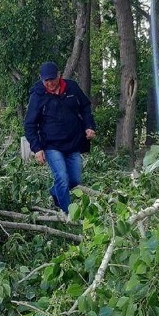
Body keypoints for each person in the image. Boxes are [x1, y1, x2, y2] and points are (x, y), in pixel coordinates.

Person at [23, 61, 96, 214]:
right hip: (51, 145)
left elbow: (85, 107)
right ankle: (69, 215)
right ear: (41, 79)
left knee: (74, 180)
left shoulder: (72, 87)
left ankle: (55, 192)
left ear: (59, 75)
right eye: (46, 80)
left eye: (52, 79)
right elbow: (30, 125)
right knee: (62, 178)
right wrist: (37, 148)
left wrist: (89, 126)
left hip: (73, 143)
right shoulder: (38, 95)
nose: (49, 83)